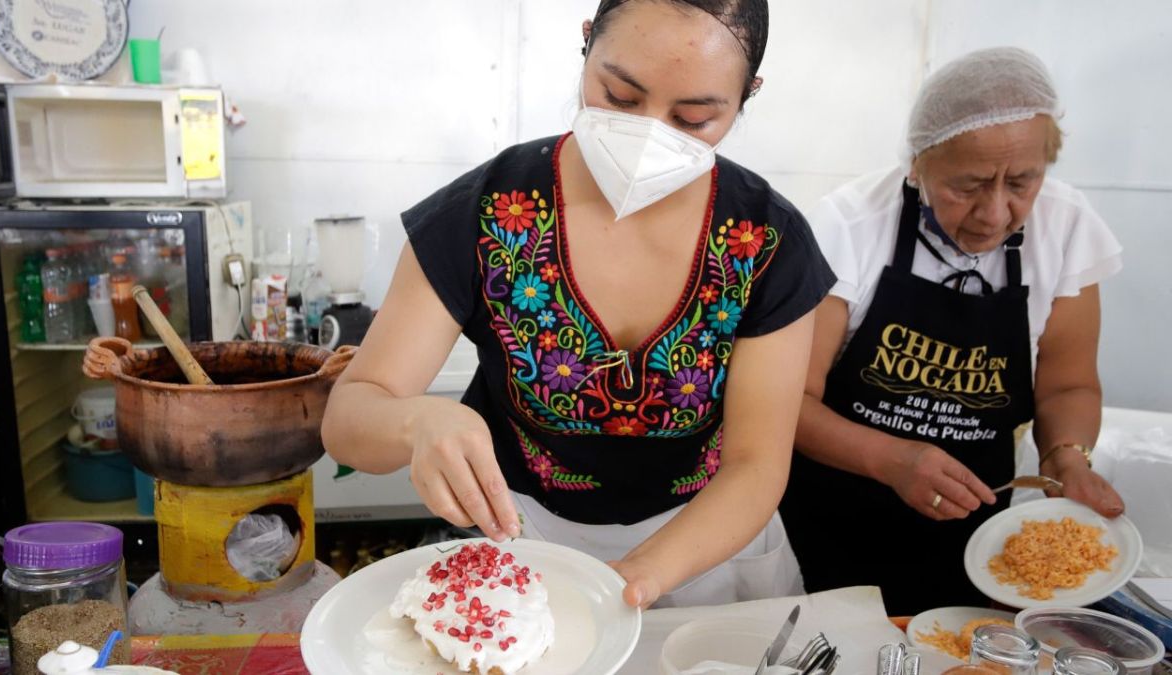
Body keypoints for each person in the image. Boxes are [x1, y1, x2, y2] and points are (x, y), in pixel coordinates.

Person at [322, 0, 835, 609]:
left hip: (709, 554)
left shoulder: (766, 242)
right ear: (587, 43)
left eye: (693, 117)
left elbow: (756, 466)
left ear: (746, 94)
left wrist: (633, 580)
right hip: (521, 544)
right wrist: (418, 422)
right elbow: (349, 420)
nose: (650, 134)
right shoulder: (485, 215)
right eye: (619, 97)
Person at [779, 47, 1126, 614]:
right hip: (827, 520)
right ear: (918, 164)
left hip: (978, 534)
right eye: (966, 186)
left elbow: (1067, 387)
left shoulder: (1067, 228)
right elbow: (788, 401)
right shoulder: (847, 226)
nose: (994, 213)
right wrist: (892, 459)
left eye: (1021, 181)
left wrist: (1067, 459)